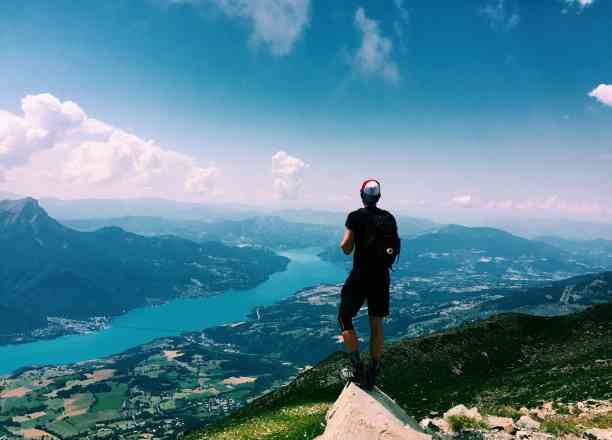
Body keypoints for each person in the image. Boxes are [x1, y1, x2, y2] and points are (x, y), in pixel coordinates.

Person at [338, 179, 400, 390]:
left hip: (360, 276)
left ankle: (357, 367)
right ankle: (373, 370)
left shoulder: (355, 217)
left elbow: (346, 248)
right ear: (379, 197)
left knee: (344, 317)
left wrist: (347, 239)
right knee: (376, 324)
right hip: (382, 277)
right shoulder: (389, 218)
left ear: (362, 195)